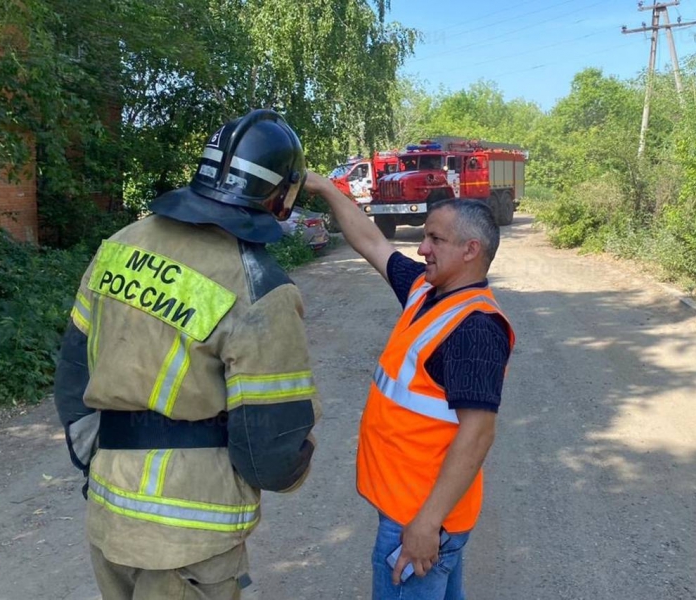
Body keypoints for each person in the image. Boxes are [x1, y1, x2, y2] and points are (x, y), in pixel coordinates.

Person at [54, 109, 320, 600]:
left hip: (110, 512)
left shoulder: (119, 246)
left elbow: (73, 378)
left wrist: (103, 463)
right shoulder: (262, 290)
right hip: (193, 538)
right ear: (279, 196)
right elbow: (271, 454)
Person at [304, 173, 514, 599]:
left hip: (420, 521)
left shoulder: (475, 328)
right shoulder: (425, 290)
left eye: (435, 240)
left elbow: (478, 433)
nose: (421, 248)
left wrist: (425, 525)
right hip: (411, 511)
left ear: (471, 250)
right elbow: (372, 243)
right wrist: (327, 188)